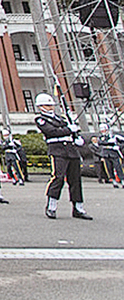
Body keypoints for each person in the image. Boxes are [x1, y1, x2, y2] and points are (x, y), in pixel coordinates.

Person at [34, 92, 91, 220]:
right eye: (47, 105)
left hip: (71, 151)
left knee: (75, 180)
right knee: (58, 177)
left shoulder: (62, 119)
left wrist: (76, 136)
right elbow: (52, 132)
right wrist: (69, 130)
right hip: (57, 150)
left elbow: (68, 130)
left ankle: (78, 208)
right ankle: (51, 206)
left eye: (51, 105)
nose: (50, 107)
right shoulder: (41, 120)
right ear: (40, 106)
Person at [95, 123, 123, 188]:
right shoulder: (101, 137)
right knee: (109, 168)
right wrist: (110, 143)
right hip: (106, 154)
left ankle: (122, 180)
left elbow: (122, 142)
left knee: (118, 167)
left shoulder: (114, 136)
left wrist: (118, 146)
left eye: (103, 129)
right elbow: (100, 143)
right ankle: (114, 181)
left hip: (114, 154)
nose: (102, 131)